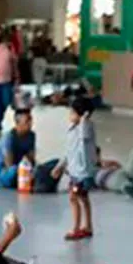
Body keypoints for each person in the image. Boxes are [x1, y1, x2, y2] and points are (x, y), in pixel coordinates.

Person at [42, 96, 100, 239]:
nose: (70, 115)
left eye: (72, 112)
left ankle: (76, 228)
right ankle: (88, 226)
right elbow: (69, 152)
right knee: (82, 198)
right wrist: (60, 167)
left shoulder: (86, 129)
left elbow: (83, 137)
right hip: (75, 172)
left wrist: (84, 120)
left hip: (83, 173)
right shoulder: (73, 130)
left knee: (74, 198)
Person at [0, 108, 36, 189]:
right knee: (13, 172)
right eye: (27, 122)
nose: (30, 124)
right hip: (3, 169)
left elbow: (31, 158)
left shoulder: (31, 135)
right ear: (17, 123)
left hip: (20, 166)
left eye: (30, 120)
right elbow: (9, 164)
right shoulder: (9, 137)